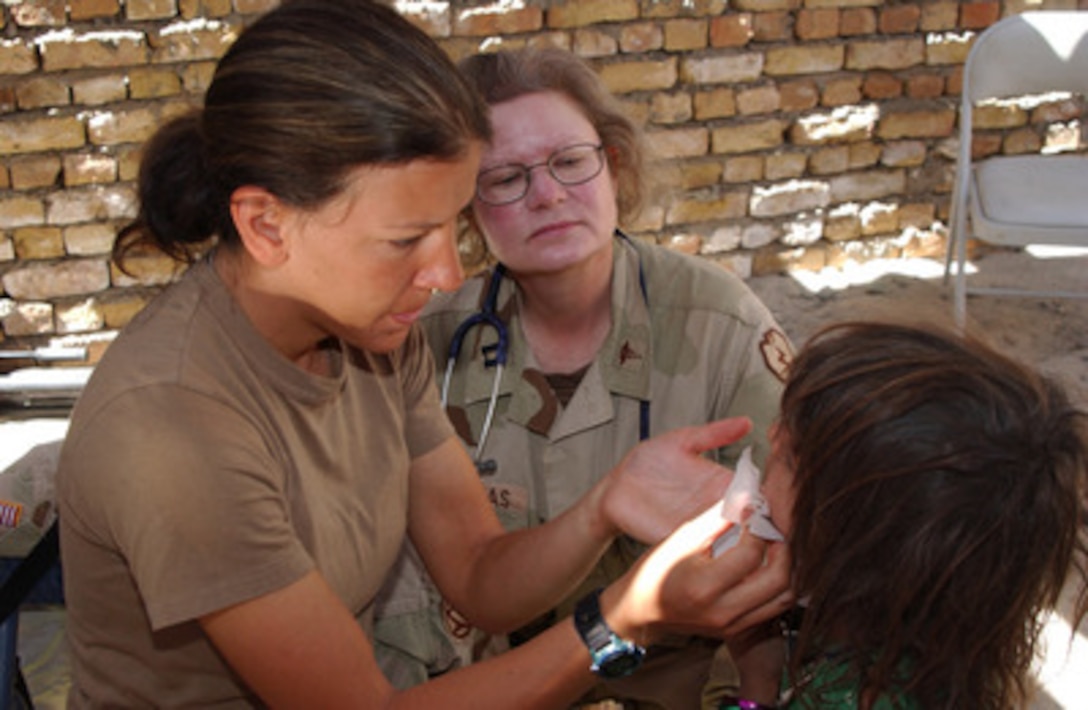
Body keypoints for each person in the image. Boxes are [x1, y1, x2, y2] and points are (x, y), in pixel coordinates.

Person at [54, 2, 794, 707]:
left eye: (449, 224)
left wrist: (605, 505)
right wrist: (626, 617)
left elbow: (477, 574)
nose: (445, 274)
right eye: (406, 239)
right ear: (266, 225)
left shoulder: (369, 334)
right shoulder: (173, 429)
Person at [372, 47, 793, 709]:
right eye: (506, 178)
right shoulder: (422, 339)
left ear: (613, 165)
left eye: (570, 162)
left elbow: (784, 575)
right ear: (464, 207)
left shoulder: (720, 326)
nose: (549, 195)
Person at [724, 321, 1088, 709]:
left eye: (791, 460)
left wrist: (755, 682)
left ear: (859, 548)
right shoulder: (953, 643)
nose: (772, 435)